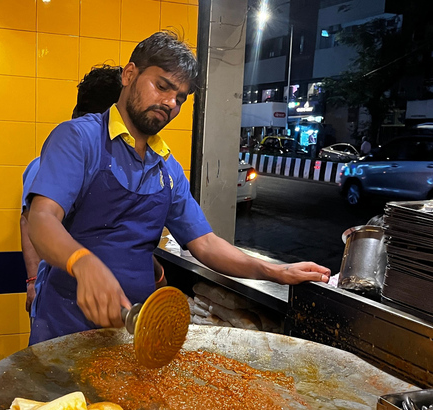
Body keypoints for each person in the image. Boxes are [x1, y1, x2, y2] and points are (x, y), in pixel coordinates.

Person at [26, 31, 331, 345]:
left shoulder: (167, 168)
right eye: (162, 86)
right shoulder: (79, 139)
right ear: (130, 74)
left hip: (131, 333)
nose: (170, 102)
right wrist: (83, 262)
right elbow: (41, 219)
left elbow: (206, 245)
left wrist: (275, 272)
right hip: (65, 326)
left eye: (180, 97)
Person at [21, 65, 128, 315]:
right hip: (58, 295)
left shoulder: (121, 164)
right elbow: (30, 222)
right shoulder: (51, 162)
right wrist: (33, 280)